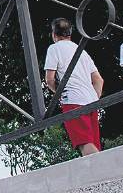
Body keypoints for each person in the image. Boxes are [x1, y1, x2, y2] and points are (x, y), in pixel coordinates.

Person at [44, 17, 104, 156]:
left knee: (84, 143)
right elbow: (98, 80)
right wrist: (95, 98)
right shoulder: (80, 50)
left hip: (72, 99)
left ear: (54, 34)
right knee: (94, 143)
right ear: (70, 33)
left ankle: (109, 171)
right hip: (91, 100)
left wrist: (59, 94)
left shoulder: (54, 49)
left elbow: (50, 79)